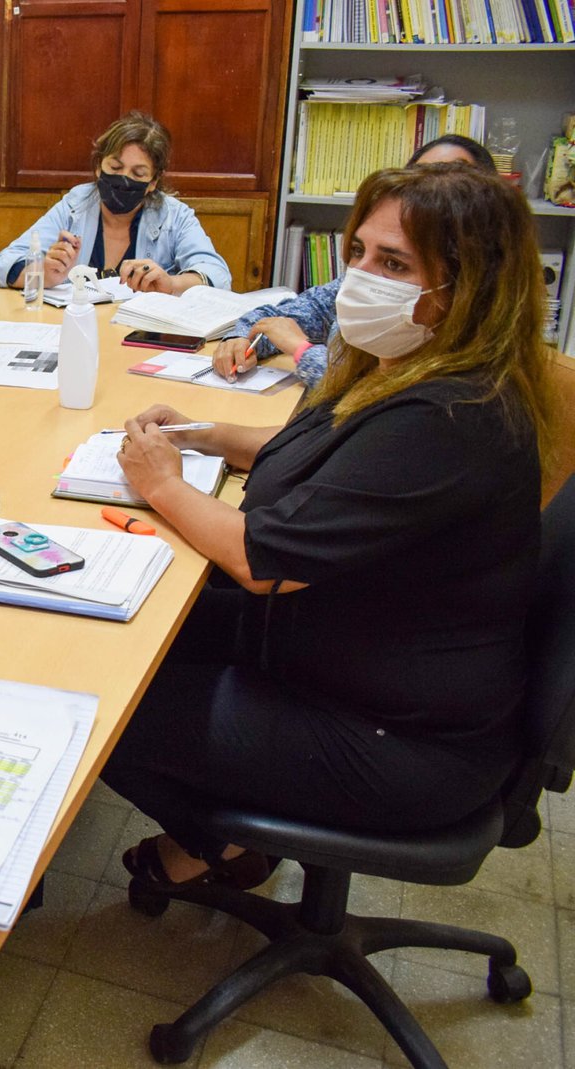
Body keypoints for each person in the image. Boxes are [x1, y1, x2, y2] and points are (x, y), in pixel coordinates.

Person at [100, 165, 558, 892]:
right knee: (125, 630)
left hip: (401, 741)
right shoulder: (403, 366)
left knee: (104, 705)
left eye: (396, 264)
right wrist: (203, 434)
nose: (362, 279)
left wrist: (157, 481)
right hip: (346, 648)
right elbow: (319, 448)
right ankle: (224, 830)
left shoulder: (451, 416)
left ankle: (213, 844)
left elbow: (261, 560)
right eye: (360, 255)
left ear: (466, 286)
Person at [211, 135, 497, 384]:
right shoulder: (365, 276)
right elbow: (293, 314)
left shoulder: (466, 321)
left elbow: (367, 393)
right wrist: (240, 339)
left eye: (449, 182)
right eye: (358, 251)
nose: (428, 193)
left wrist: (301, 350)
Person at [0, 111, 232, 295]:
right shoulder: (76, 204)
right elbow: (3, 265)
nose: (124, 180)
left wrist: (171, 284)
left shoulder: (174, 215)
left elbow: (218, 277)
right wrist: (43, 273)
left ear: (153, 182)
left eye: (138, 174)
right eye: (115, 167)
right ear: (98, 167)